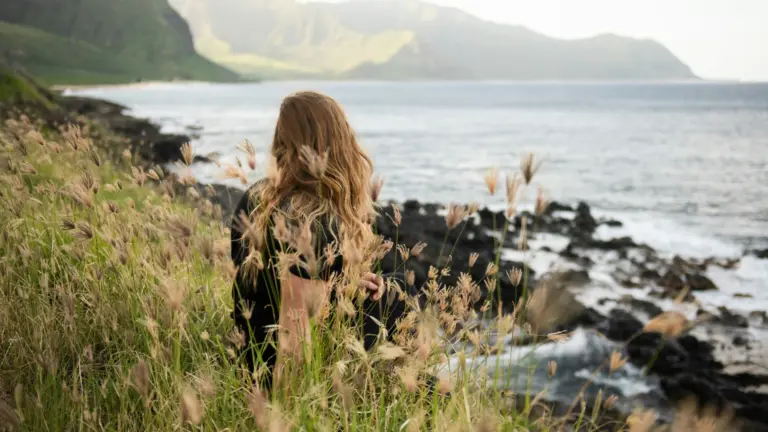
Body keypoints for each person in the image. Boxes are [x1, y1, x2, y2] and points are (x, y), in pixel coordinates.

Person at [229, 90, 413, 392]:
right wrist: (291, 415)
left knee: (392, 287)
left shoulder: (256, 196)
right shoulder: (313, 222)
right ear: (337, 142)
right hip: (275, 372)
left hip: (249, 350)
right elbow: (294, 337)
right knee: (400, 295)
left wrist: (345, 284)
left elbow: (266, 286)